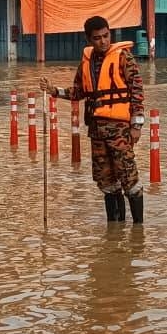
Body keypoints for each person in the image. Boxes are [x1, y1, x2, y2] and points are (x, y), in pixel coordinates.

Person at [39, 16, 146, 224]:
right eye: (97, 38)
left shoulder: (124, 57)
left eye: (106, 36)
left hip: (120, 130)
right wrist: (54, 91)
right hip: (97, 131)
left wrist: (137, 125)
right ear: (89, 39)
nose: (103, 41)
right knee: (106, 180)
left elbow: (137, 92)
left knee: (128, 177)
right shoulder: (86, 63)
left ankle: (138, 231)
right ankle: (115, 230)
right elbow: (78, 92)